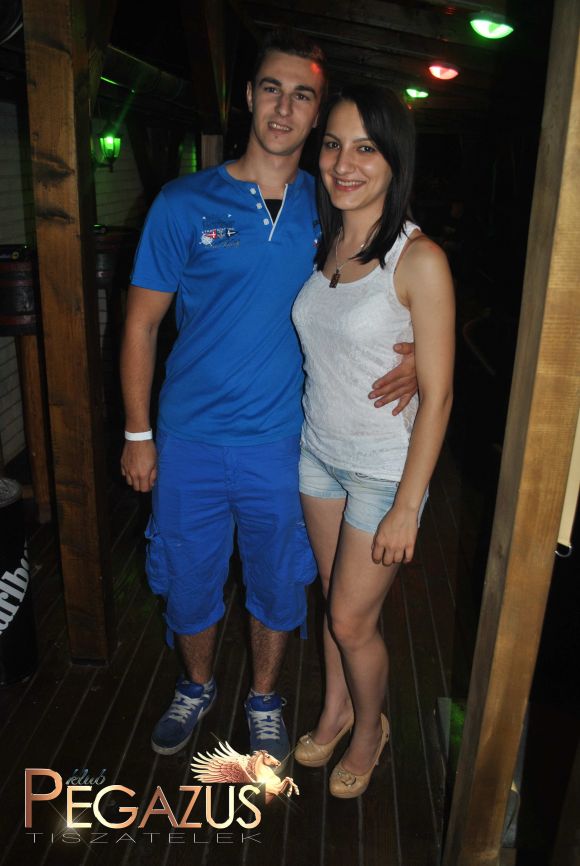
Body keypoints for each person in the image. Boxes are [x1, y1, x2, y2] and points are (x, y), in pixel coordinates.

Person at [120, 31, 417, 762]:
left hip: (287, 442)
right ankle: (195, 685)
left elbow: (404, 273)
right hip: (187, 439)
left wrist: (418, 354)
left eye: (302, 95)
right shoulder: (182, 203)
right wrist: (137, 434)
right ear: (249, 97)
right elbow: (140, 324)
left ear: (317, 112)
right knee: (186, 577)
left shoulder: (335, 202)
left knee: (279, 583)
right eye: (272, 90)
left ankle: (263, 697)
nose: (284, 108)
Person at [292, 85, 455, 796]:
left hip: (382, 472)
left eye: (365, 147)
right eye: (333, 144)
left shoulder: (419, 260)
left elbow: (440, 395)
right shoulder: (328, 240)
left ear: (395, 159)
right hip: (318, 453)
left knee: (351, 620)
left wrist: (406, 508)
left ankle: (370, 729)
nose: (343, 162)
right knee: (334, 602)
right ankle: (335, 711)